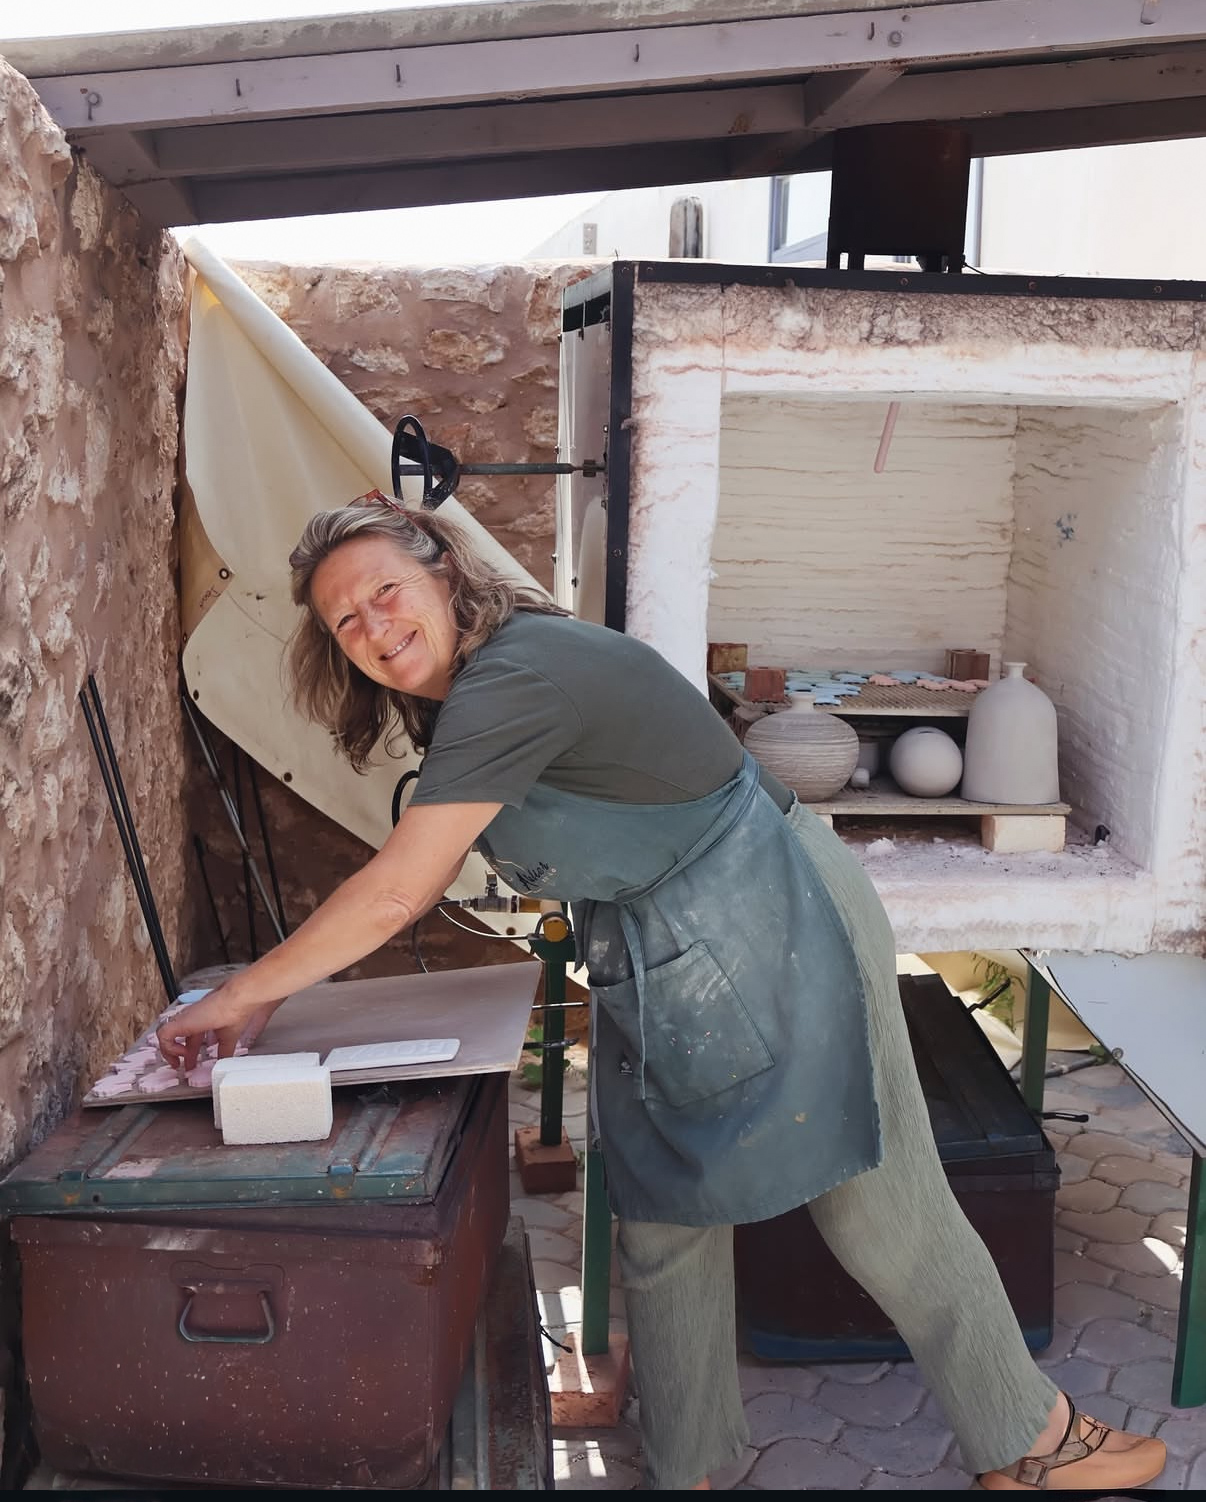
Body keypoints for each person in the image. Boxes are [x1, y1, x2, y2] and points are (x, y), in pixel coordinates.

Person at [159, 498, 1167, 1493]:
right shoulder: (477, 686)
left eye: (386, 591)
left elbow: (397, 887)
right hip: (666, 944)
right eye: (347, 620)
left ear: (443, 576)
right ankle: (690, 1465)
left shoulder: (519, 674)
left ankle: (1025, 1437)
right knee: (664, 1211)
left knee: (878, 1200)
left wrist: (241, 998)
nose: (374, 627)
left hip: (777, 919)